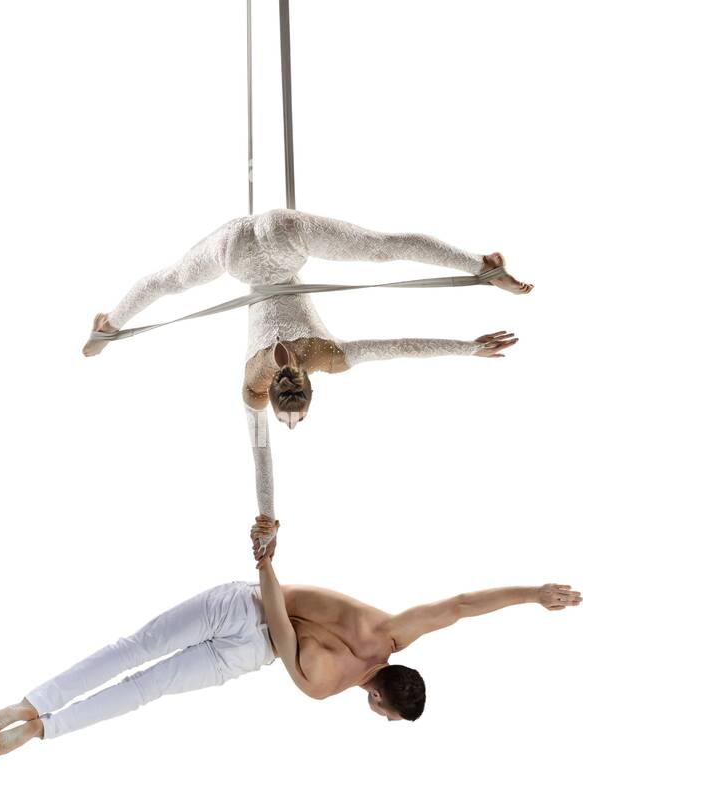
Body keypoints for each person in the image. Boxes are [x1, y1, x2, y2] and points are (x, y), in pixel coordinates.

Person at [82, 209, 532, 553]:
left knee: (383, 246)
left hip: (283, 237)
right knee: (171, 281)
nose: (290, 424)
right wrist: (266, 518)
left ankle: (484, 267)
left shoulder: (326, 357)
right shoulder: (253, 385)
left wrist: (470, 346)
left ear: (306, 387)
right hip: (235, 252)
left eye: (289, 419)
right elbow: (260, 455)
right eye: (293, 418)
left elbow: (399, 346)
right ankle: (107, 328)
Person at [0, 517, 580, 753]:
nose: (379, 716)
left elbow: (461, 606)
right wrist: (265, 562)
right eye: (386, 715)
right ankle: (39, 723)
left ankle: (33, 711)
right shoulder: (323, 687)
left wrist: (534, 595)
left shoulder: (391, 632)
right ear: (380, 698)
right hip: (249, 637)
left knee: (137, 660)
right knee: (146, 682)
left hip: (248, 617)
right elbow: (282, 634)